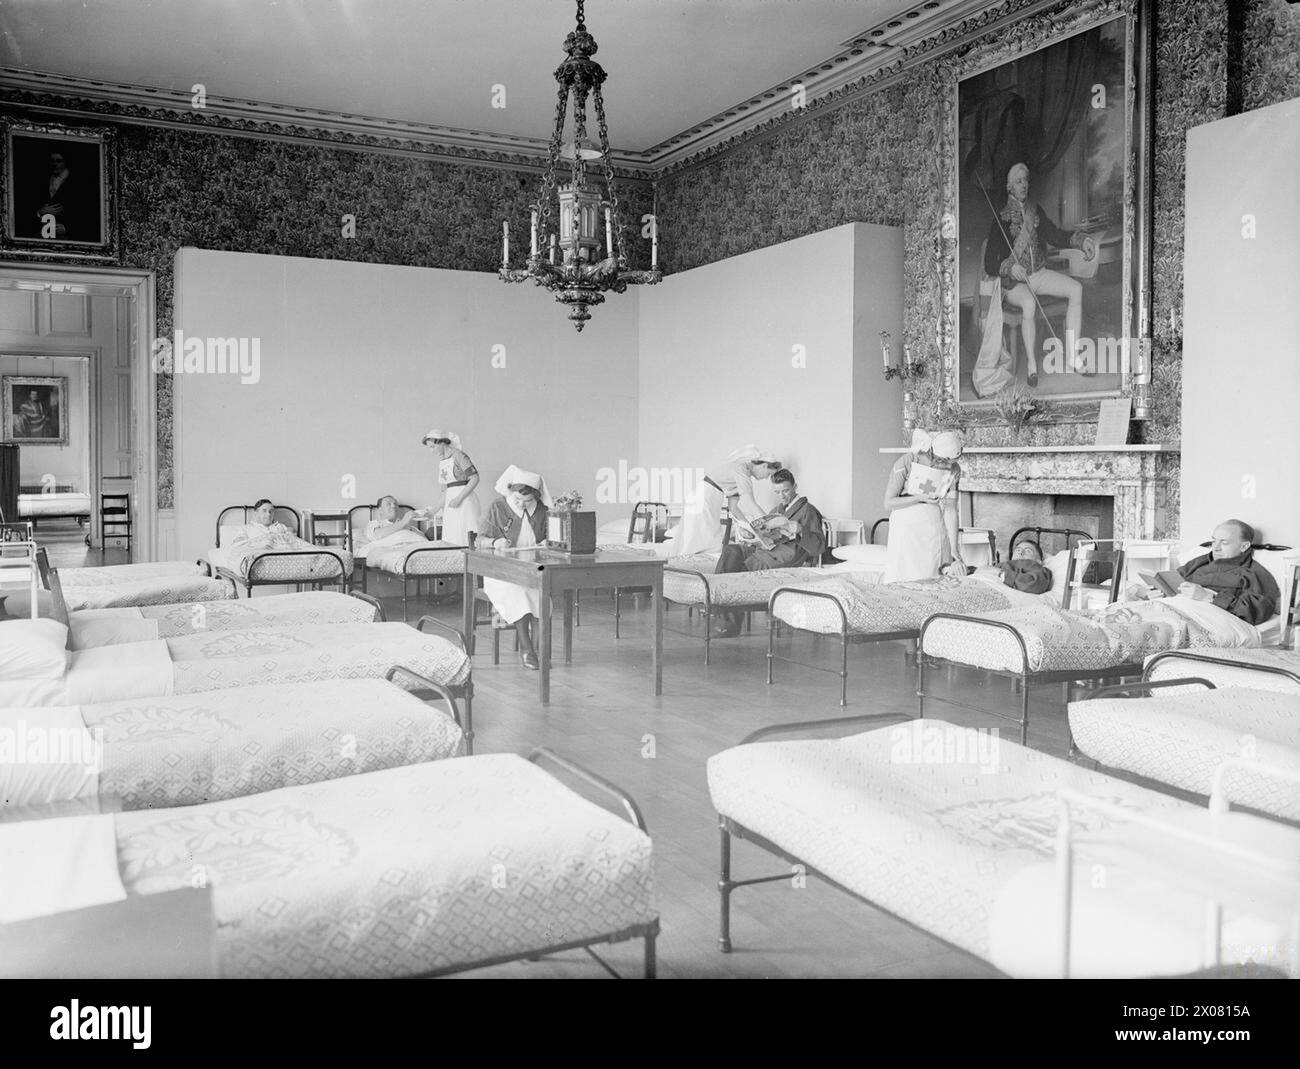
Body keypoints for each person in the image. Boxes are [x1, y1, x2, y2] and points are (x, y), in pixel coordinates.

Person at [976, 162, 1098, 391]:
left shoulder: (1035, 212)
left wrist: (1082, 241)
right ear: (1009, 187)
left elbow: (1056, 235)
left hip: (1039, 274)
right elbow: (990, 263)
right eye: (1018, 181)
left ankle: (1073, 357)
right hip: (1014, 284)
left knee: (1076, 289)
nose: (1024, 185)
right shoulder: (1000, 219)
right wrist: (1010, 268)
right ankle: (1032, 365)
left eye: (1026, 180)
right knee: (1029, 304)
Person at [712, 468, 826, 637]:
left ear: (795, 486)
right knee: (731, 550)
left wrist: (801, 529)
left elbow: (819, 547)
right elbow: (766, 535)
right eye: (778, 492)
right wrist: (752, 535)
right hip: (766, 548)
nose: (782, 496)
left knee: (740, 568)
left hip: (784, 555)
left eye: (786, 490)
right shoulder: (777, 510)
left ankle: (728, 621)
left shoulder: (808, 511)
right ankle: (717, 606)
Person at [1124, 520, 1279, 625]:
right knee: (1115, 617)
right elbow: (1173, 584)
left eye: (1224, 543)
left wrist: (1208, 597)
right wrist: (1157, 593)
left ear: (1244, 546)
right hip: (1170, 609)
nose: (1215, 547)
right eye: (1214, 541)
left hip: (1200, 619)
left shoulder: (1253, 573)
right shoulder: (1200, 562)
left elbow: (1256, 610)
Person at [478, 465, 552, 670]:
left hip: (530, 569)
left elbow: (551, 538)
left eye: (527, 501)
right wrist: (495, 543)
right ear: (510, 491)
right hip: (500, 571)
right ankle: (527, 649)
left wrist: (548, 543)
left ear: (536, 497)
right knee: (519, 593)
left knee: (541, 595)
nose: (521, 504)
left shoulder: (542, 511)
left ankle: (539, 652)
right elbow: (480, 539)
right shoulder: (498, 506)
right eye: (517, 499)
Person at [667, 445, 782, 557]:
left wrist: (749, 528)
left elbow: (734, 508)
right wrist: (769, 523)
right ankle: (688, 566)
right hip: (704, 498)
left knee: (705, 537)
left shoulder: (741, 475)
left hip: (707, 497)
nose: (766, 478)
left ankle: (690, 564)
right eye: (769, 474)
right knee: (699, 538)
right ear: (764, 466)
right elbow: (750, 503)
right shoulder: (741, 469)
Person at [882, 430, 964, 584]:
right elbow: (888, 502)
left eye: (952, 462)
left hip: (933, 524)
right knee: (904, 573)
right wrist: (919, 497)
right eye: (944, 461)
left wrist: (954, 550)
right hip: (905, 525)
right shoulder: (907, 461)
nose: (948, 466)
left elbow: (951, 509)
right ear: (933, 453)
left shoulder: (954, 469)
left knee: (931, 574)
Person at [422, 429, 481, 546]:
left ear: (442, 442)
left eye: (433, 447)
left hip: (465, 501)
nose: (431, 451)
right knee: (452, 537)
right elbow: (447, 492)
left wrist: (459, 499)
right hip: (451, 505)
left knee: (465, 536)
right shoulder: (443, 462)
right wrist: (433, 511)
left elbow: (475, 478)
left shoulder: (459, 456)